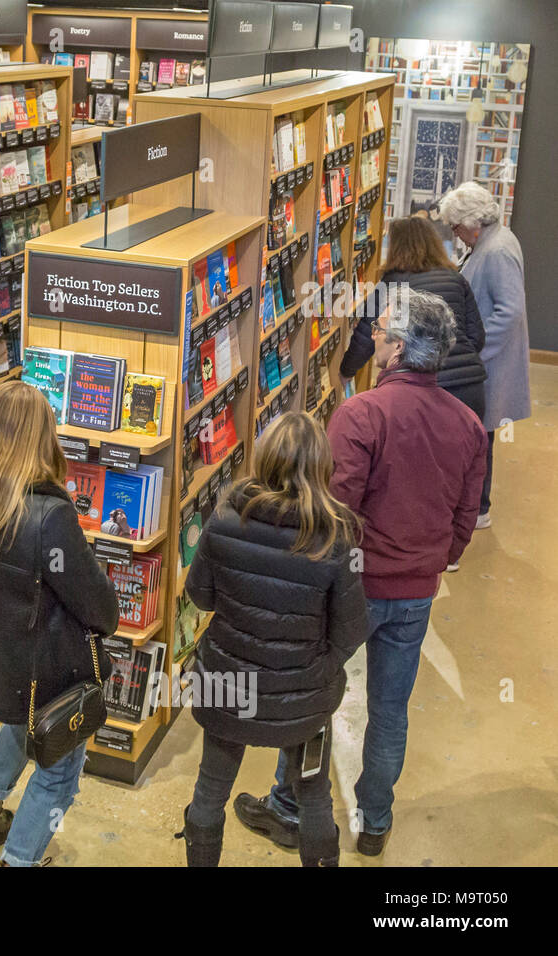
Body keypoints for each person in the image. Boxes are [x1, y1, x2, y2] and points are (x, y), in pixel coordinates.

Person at [236, 291, 488, 858]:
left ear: (398, 348)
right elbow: (464, 516)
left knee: (316, 694)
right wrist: (435, 558)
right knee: (390, 708)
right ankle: (375, 821)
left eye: (379, 331)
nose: (371, 337)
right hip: (418, 589)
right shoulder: (468, 424)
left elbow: (336, 507)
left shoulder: (361, 414)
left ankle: (289, 804)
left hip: (353, 587)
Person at [0, 380, 118, 867]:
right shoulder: (48, 517)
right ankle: (18, 859)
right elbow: (101, 610)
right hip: (53, 677)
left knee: (17, 724)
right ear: (44, 438)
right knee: (58, 774)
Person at [180, 412, 368, 867]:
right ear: (323, 466)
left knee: (209, 790)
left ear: (264, 459)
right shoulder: (337, 538)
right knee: (314, 796)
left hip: (228, 687)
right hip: (303, 701)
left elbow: (200, 595)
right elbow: (352, 630)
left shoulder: (224, 519)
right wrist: (314, 672)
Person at [439, 181, 530, 527]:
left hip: (489, 363)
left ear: (472, 222)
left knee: (481, 435)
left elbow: (509, 312)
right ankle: (476, 505)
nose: (455, 233)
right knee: (481, 433)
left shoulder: (496, 251)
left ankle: (479, 507)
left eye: (456, 226)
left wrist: (475, 352)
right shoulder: (492, 241)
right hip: (485, 360)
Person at [340, 216, 487, 421]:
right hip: (469, 387)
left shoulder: (393, 282)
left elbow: (367, 333)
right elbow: (476, 337)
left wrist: (346, 372)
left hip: (421, 388)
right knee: (467, 448)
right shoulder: (456, 278)